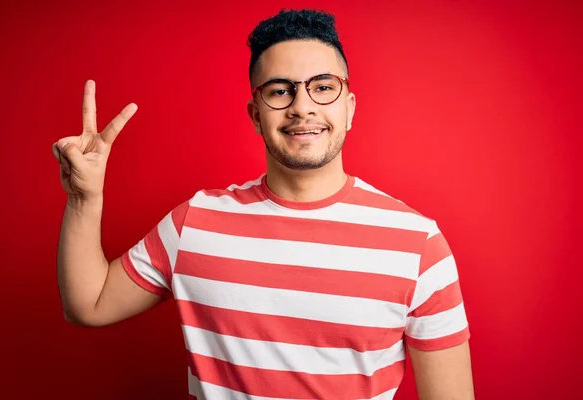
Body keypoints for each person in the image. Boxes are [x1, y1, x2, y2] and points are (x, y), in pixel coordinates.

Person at [52, 8, 474, 400]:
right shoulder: (195, 223)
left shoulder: (418, 244)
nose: (302, 106)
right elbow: (89, 304)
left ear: (349, 108)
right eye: (280, 91)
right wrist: (83, 198)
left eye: (323, 88)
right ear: (256, 115)